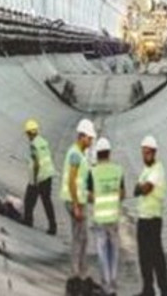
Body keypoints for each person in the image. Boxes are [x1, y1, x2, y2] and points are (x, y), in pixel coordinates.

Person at [60, 118, 96, 294]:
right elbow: (72, 181)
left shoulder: (80, 154)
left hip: (78, 200)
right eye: (90, 138)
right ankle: (75, 277)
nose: (91, 141)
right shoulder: (75, 154)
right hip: (74, 201)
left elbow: (80, 182)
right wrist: (76, 205)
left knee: (83, 239)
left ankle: (81, 275)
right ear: (82, 136)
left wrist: (88, 196)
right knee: (79, 239)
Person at [134, 136, 167, 296]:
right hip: (143, 218)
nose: (145, 155)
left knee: (156, 256)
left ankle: (164, 289)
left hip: (153, 219)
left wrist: (140, 188)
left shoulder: (157, 169)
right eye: (143, 152)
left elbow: (146, 188)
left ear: (154, 153)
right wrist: (139, 188)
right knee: (144, 256)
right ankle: (148, 289)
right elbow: (138, 188)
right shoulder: (146, 171)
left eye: (148, 153)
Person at [87, 137, 124, 296]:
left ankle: (106, 285)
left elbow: (89, 196)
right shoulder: (118, 170)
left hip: (100, 218)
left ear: (97, 154)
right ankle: (113, 284)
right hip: (114, 217)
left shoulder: (93, 172)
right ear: (109, 153)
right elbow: (122, 193)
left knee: (102, 252)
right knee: (114, 251)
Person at [22, 119, 57, 235]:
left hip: (40, 176)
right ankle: (53, 226)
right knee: (47, 201)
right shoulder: (43, 141)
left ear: (29, 133)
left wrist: (35, 179)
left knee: (29, 198)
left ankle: (28, 220)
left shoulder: (33, 145)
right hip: (48, 175)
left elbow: (36, 163)